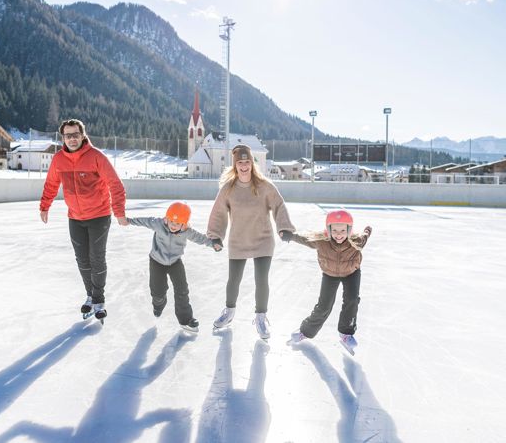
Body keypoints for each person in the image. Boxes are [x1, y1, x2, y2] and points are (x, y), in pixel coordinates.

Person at [39, 118, 127, 322]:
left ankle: (99, 299)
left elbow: (115, 184)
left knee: (96, 258)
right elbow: (51, 184)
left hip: (99, 216)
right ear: (63, 138)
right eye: (67, 135)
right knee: (82, 259)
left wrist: (119, 211)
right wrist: (45, 206)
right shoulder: (59, 159)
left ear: (83, 135)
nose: (71, 139)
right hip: (75, 217)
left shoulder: (96, 157)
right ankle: (90, 294)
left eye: (75, 134)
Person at [207, 144, 295, 340]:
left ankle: (261, 317)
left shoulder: (265, 186)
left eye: (247, 162)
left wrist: (284, 227)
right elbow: (219, 212)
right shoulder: (228, 189)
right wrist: (215, 235)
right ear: (235, 165)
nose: (244, 166)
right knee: (233, 280)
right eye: (240, 162)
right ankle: (229, 313)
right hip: (238, 240)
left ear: (252, 164)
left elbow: (278, 205)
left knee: (261, 280)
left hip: (263, 240)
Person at [284, 210, 372, 354]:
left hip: (351, 273)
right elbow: (304, 239)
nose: (339, 234)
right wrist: (291, 236)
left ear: (349, 230)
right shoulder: (321, 241)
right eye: (335, 230)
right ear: (329, 229)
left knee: (352, 300)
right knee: (324, 306)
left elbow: (366, 235)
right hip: (330, 274)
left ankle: (346, 333)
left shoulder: (357, 241)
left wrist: (367, 230)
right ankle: (305, 332)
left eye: (343, 230)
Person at [127, 201, 222, 333]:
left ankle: (186, 319)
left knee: (182, 290)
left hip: (175, 262)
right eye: (171, 221)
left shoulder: (187, 232)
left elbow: (200, 238)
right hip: (157, 261)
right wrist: (128, 220)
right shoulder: (158, 224)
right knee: (158, 292)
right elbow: (144, 221)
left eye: (177, 223)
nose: (173, 225)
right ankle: (159, 303)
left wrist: (213, 244)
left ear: (184, 224)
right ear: (167, 219)